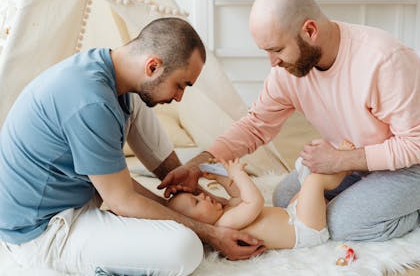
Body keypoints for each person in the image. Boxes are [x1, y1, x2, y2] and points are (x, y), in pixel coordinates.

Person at [159, 0, 420, 242]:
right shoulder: (288, 71)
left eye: (276, 49)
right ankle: (371, 193)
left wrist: (341, 160)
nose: (272, 63)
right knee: (283, 199)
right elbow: (255, 126)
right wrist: (200, 163)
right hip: (360, 159)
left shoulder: (384, 60)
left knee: (342, 224)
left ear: (309, 30)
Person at [0, 17, 264, 276]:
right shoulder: (92, 102)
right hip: (40, 232)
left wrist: (188, 193)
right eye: (180, 85)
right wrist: (211, 233)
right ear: (152, 66)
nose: (179, 97)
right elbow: (121, 200)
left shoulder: (107, 69)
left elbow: (118, 188)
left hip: (76, 196)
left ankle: (180, 186)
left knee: (136, 100)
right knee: (186, 247)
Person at [168, 140, 354, 250]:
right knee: (314, 181)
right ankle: (343, 167)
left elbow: (238, 196)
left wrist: (222, 178)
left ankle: (333, 173)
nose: (204, 196)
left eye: (198, 195)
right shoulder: (224, 224)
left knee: (305, 178)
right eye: (196, 202)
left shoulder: (227, 213)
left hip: (293, 215)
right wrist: (238, 174)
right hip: (304, 230)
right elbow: (253, 202)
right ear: (195, 224)